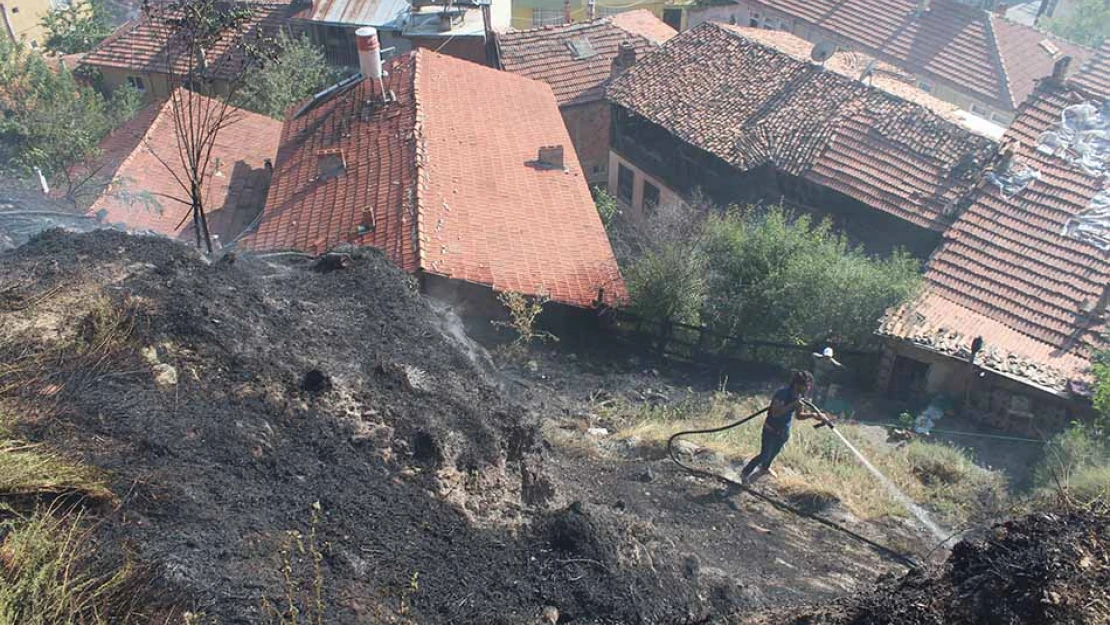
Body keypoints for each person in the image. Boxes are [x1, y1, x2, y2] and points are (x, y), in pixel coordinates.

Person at [741, 370, 823, 485]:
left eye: (809, 385)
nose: (808, 388)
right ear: (797, 384)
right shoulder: (782, 394)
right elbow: (775, 413)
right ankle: (745, 473)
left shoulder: (799, 396)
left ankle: (765, 468)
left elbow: (799, 416)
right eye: (806, 385)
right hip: (770, 429)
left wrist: (813, 415)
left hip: (783, 431)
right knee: (764, 454)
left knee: (774, 452)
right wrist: (793, 404)